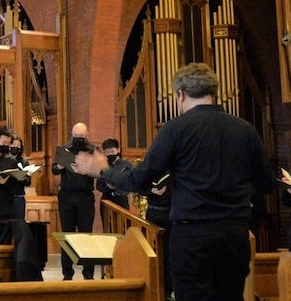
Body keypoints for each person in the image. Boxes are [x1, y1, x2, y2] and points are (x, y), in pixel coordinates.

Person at [71, 62, 275, 300]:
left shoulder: (175, 130)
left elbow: (139, 178)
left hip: (193, 236)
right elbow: (267, 184)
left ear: (180, 94)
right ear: (214, 92)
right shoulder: (245, 130)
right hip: (235, 233)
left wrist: (104, 171)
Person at [52, 123, 96, 280]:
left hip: (85, 196)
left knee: (86, 235)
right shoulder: (64, 149)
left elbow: (100, 171)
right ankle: (67, 273)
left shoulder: (93, 150)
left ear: (87, 135)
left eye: (81, 137)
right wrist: (61, 164)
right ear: (72, 134)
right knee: (67, 234)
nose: (78, 139)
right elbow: (54, 169)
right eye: (76, 137)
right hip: (67, 195)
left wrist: (87, 166)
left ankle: (88, 273)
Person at [144, 172, 173, 301]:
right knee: (151, 252)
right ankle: (153, 287)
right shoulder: (152, 169)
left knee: (168, 255)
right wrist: (151, 190)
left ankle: (167, 290)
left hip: (169, 215)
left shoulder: (174, 170)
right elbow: (139, 185)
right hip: (152, 213)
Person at [96, 138, 131, 210]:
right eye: (107, 152)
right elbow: (99, 185)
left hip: (121, 199)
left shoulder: (126, 166)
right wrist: (108, 187)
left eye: (112, 151)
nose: (110, 154)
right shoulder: (103, 166)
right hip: (107, 199)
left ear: (118, 150)